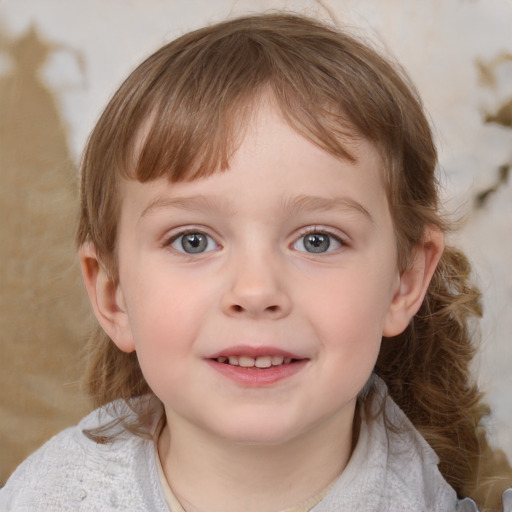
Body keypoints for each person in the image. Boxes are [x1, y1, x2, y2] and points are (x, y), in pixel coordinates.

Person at [0, 12, 510, 512]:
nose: (256, 291)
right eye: (193, 241)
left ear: (405, 281)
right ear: (114, 297)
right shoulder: (50, 496)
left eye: (317, 241)